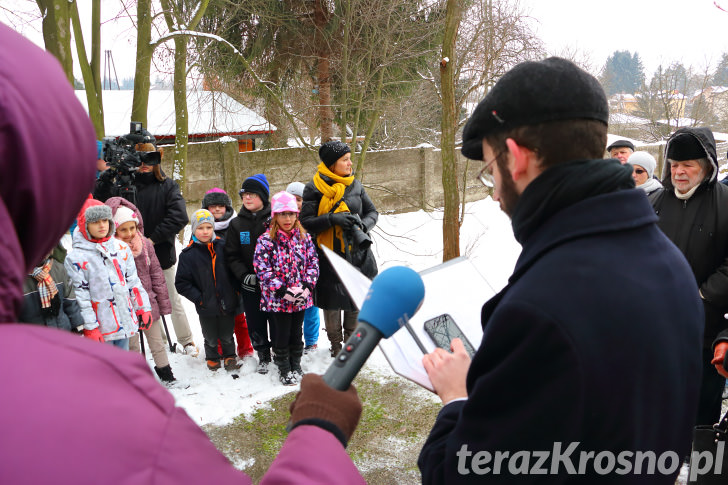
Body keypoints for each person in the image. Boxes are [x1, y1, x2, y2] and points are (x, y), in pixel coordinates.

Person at [0, 23, 365, 484]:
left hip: (164, 261)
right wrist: (318, 433)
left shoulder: (171, 193)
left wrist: (151, 239)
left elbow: (177, 224)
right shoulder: (89, 395)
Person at [418, 57, 702, 483]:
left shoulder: (540, 310)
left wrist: (457, 399)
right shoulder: (668, 260)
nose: (494, 193)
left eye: (490, 171)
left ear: (516, 158)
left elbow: (458, 474)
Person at [648, 126, 728, 427]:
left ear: (706, 166)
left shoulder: (725, 203)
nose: (679, 172)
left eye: (687, 165)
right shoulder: (653, 202)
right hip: (656, 330)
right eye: (674, 165)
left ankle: (700, 470)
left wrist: (702, 294)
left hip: (704, 330)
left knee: (700, 417)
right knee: (655, 410)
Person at [94, 139, 198, 357]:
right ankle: (158, 340)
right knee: (144, 301)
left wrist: (152, 239)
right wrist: (109, 174)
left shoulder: (167, 185)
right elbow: (101, 200)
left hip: (160, 254)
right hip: (128, 258)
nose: (144, 164)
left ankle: (186, 340)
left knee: (171, 297)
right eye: (139, 158)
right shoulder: (123, 186)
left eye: (149, 158)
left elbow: (179, 216)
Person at [299, 141, 379, 357]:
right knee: (332, 301)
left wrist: (363, 225)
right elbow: (306, 221)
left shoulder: (356, 184)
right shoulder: (313, 187)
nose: (349, 163)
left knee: (355, 298)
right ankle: (335, 345)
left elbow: (373, 213)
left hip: (357, 252)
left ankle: (351, 341)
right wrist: (331, 219)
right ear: (332, 164)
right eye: (345, 159)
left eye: (349, 158)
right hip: (328, 254)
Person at [65, 198, 153, 351]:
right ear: (84, 225)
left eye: (105, 220)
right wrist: (90, 327)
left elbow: (133, 281)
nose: (101, 225)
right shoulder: (76, 258)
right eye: (95, 221)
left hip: (123, 322)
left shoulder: (121, 248)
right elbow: (81, 296)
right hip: (101, 328)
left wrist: (143, 307)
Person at [106, 197, 176, 383]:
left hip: (147, 302)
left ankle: (166, 373)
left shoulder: (144, 245)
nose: (129, 233)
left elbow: (156, 275)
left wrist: (162, 302)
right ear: (114, 229)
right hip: (124, 306)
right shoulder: (110, 251)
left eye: (132, 228)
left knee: (156, 342)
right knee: (132, 344)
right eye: (123, 229)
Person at [254, 191, 319, 385]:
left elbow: (313, 262)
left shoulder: (304, 238)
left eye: (291, 214)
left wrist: (307, 286)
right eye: (283, 214)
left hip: (300, 297)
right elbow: (262, 269)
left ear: (296, 215)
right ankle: (284, 367)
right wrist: (282, 290)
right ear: (275, 216)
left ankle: (296, 364)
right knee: (281, 334)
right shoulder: (265, 240)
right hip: (278, 299)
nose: (287, 218)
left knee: (296, 333)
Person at [176, 209, 241, 372]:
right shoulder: (188, 255)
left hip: (227, 301)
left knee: (227, 334)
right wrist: (200, 297)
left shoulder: (224, 247)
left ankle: (229, 356)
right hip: (205, 305)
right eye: (200, 228)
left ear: (213, 228)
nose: (205, 231)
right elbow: (182, 283)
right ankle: (212, 357)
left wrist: (235, 292)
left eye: (208, 227)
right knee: (210, 336)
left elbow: (235, 270)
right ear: (194, 230)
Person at [225, 174, 275, 374]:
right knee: (255, 321)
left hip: (274, 284)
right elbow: (231, 255)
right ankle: (263, 355)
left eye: (252, 194)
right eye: (244, 194)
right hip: (251, 285)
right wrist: (244, 275)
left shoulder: (275, 220)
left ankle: (281, 352)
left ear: (263, 196)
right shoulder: (237, 225)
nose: (247, 198)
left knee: (277, 320)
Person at [202, 187, 255, 359]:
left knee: (240, 319)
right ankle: (219, 351)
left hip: (234, 281)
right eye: (213, 206)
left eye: (221, 205)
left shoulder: (236, 225)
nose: (217, 209)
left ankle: (246, 350)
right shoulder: (202, 229)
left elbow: (244, 250)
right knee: (217, 320)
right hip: (213, 284)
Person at [287, 181, 321, 353]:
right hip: (289, 274)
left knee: (311, 309)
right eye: (292, 199)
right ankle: (293, 340)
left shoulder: (311, 220)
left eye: (299, 199)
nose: (295, 203)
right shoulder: (283, 221)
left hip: (308, 273)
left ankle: (311, 340)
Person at [18, 245, 84, 333]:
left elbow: (70, 301)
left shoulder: (58, 268)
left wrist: (78, 327)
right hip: (33, 338)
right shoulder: (17, 279)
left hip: (63, 332)